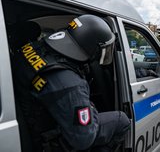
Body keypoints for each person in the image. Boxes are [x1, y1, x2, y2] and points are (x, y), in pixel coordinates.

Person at [12, 15, 131, 152]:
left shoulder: (33, 49)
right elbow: (83, 140)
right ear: (94, 48)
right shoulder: (71, 85)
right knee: (121, 121)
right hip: (48, 140)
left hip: (33, 119)